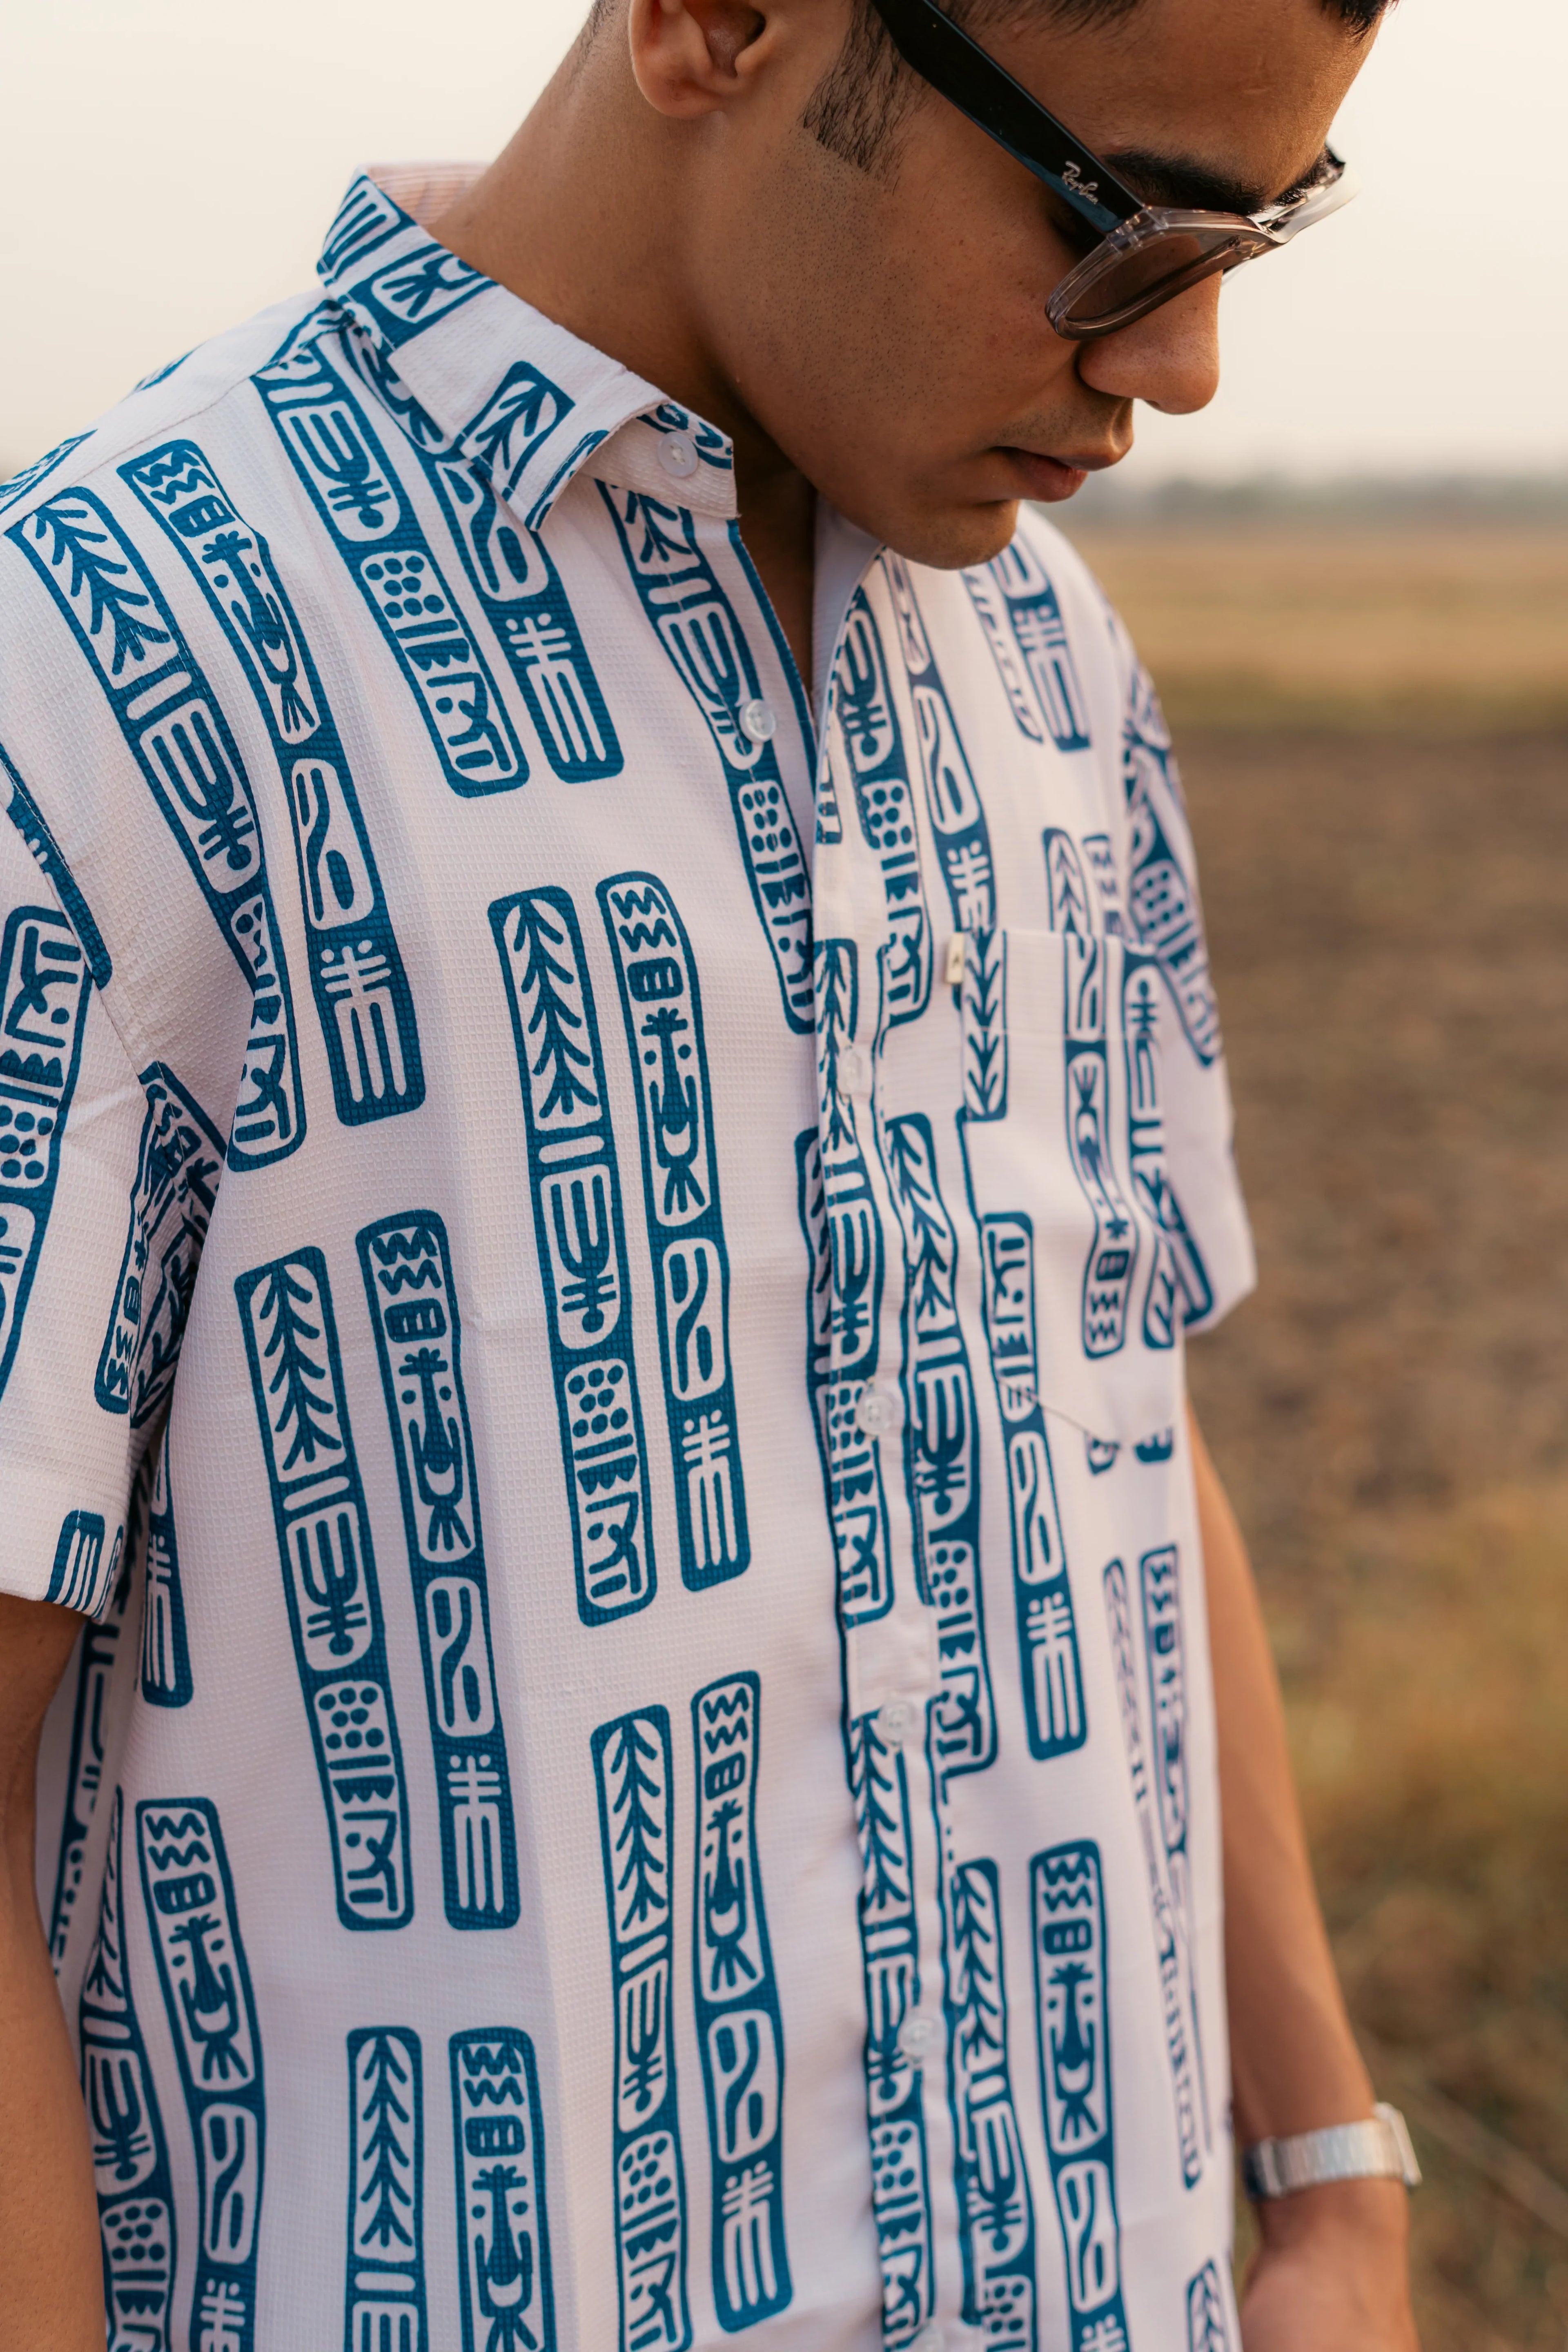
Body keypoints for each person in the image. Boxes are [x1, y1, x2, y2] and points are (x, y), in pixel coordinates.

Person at [0, 0, 1422, 2344]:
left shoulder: (1053, 661)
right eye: (1123, 227)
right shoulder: (106, 660)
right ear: (721, 23)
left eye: (1250, 239)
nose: (1181, 371)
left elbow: (1108, 1420)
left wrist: (1334, 2181)